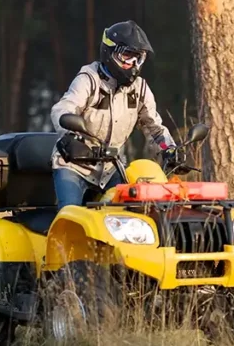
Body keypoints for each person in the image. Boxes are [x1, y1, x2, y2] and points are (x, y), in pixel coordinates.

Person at [50, 20, 176, 210]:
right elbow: (62, 109)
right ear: (109, 52)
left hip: (111, 168)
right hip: (74, 166)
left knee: (133, 213)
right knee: (70, 214)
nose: (132, 64)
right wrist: (70, 139)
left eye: (138, 58)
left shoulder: (140, 89)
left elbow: (155, 129)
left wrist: (170, 149)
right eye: (127, 56)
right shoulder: (89, 79)